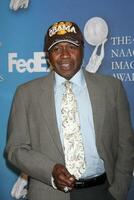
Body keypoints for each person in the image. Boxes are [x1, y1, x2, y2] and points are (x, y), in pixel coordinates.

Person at [6, 20, 134, 200]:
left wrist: (118, 192)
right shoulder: (26, 94)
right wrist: (50, 170)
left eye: (71, 46)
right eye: (56, 49)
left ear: (82, 49)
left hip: (102, 192)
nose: (64, 55)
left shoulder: (112, 88)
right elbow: (15, 149)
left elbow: (126, 144)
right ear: (48, 55)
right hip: (47, 193)